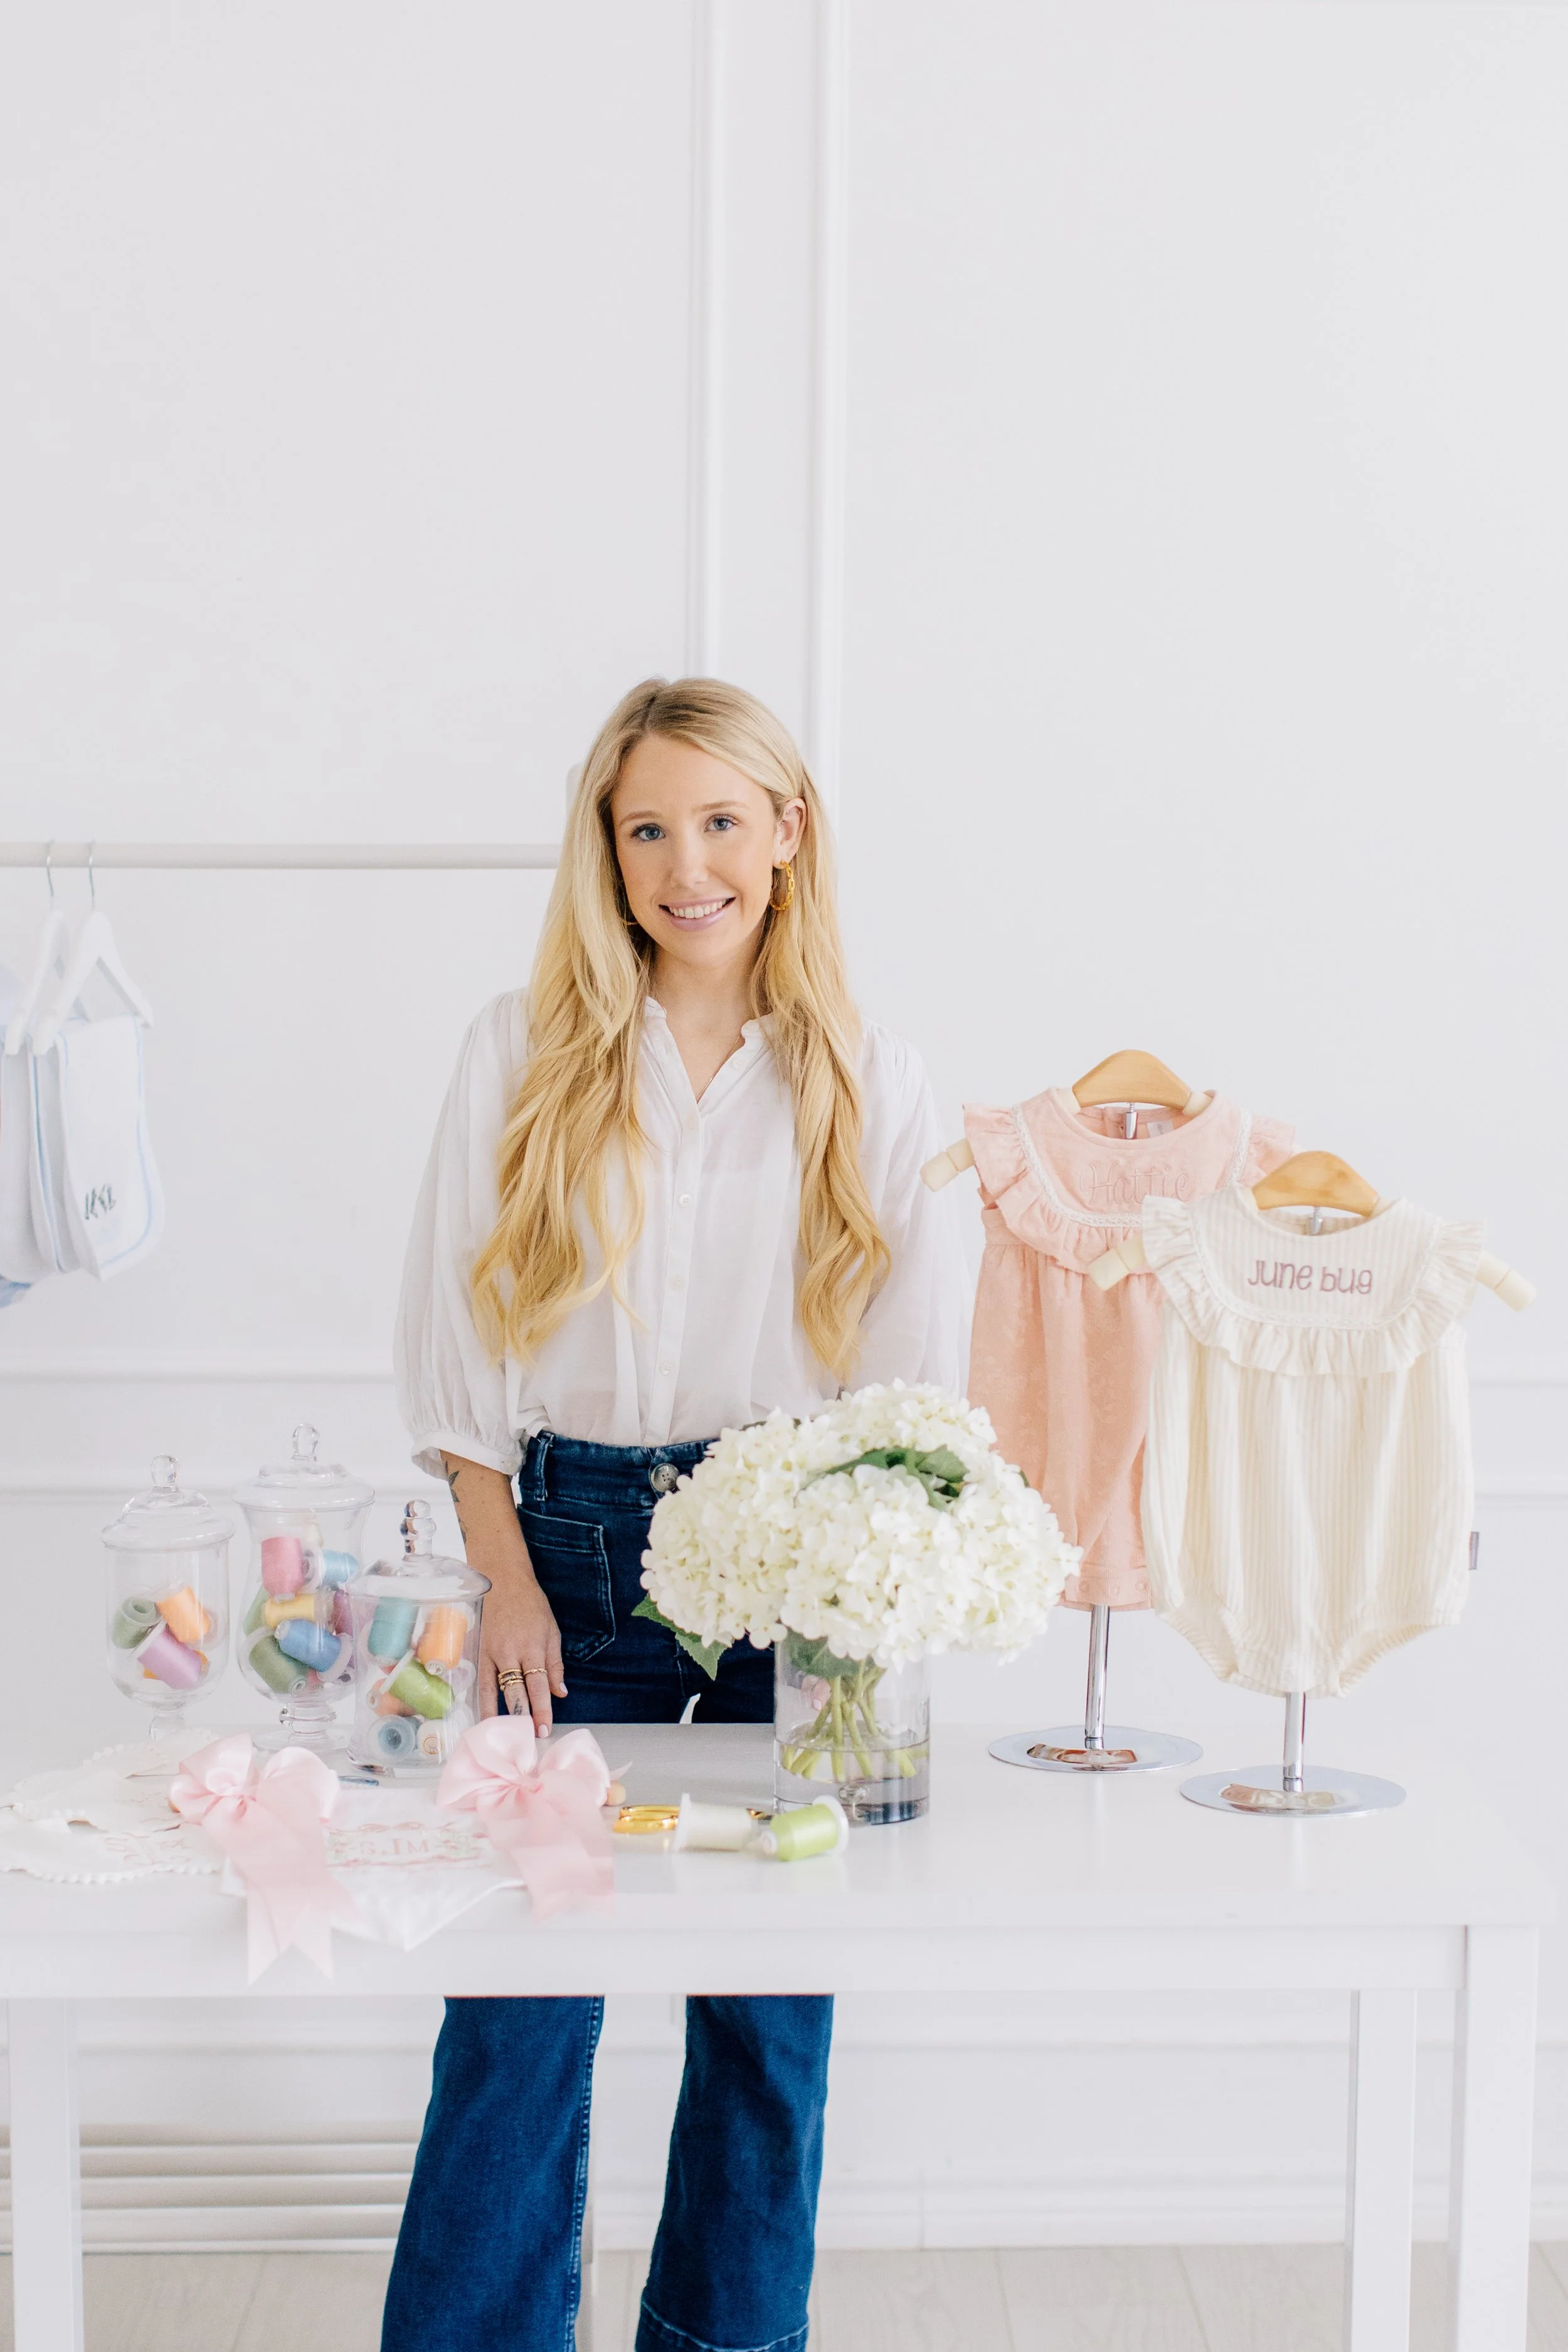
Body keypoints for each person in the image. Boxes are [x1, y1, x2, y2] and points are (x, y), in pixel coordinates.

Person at [384, 677, 967, 2352]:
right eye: (647, 826)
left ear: (787, 834)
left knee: (769, 2008)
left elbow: (913, 1395)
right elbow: (451, 1350)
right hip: (565, 1554)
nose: (684, 863)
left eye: (720, 820)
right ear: (607, 847)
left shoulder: (874, 1075)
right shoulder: (519, 1047)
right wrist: (504, 1582)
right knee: (520, 1999)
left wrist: (863, 1628)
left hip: (802, 1563)